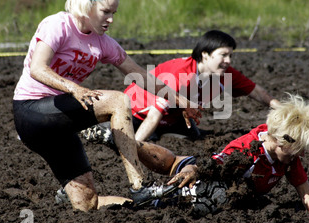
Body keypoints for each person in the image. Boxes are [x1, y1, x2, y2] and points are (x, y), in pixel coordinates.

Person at [12, 0, 201, 212]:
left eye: (114, 13)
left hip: (60, 127)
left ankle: (149, 201)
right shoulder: (57, 25)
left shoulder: (103, 43)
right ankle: (138, 187)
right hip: (31, 113)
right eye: (105, 12)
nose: (111, 19)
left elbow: (138, 75)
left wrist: (179, 99)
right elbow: (37, 68)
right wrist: (73, 88)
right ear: (87, 5)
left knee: (87, 205)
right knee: (118, 101)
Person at [103, 94, 309, 218]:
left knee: (178, 164)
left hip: (217, 186)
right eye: (296, 149)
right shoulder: (247, 149)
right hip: (204, 181)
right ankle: (125, 142)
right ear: (278, 139)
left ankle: (126, 145)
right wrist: (192, 172)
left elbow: (306, 192)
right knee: (172, 174)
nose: (298, 155)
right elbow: (215, 164)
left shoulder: (287, 157)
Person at [83, 30, 280, 143]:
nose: (228, 60)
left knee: (194, 137)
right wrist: (135, 148)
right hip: (138, 113)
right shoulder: (181, 75)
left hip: (172, 117)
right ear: (205, 54)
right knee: (119, 139)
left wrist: (287, 110)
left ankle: (158, 134)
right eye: (223, 55)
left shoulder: (225, 73)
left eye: (230, 55)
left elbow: (258, 93)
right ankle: (105, 129)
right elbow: (154, 114)